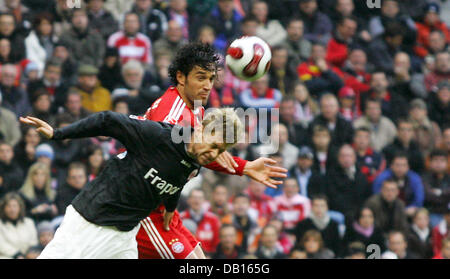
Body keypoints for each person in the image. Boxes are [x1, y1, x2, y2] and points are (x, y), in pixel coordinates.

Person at [20, 105, 245, 258]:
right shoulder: (157, 136)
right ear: (202, 129)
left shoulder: (195, 160)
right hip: (91, 220)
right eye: (214, 145)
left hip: (125, 234)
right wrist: (58, 133)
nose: (214, 154)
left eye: (220, 151)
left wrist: (170, 208)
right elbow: (107, 120)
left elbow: (176, 180)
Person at [136, 42, 287, 259]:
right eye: (200, 77)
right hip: (144, 208)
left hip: (163, 205)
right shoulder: (172, 113)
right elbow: (164, 156)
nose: (207, 85)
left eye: (210, 79)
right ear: (181, 77)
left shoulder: (195, 107)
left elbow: (196, 153)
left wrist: (244, 167)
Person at [325, 144, 371, 223]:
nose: (346, 159)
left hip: (358, 214)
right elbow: (333, 197)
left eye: (349, 156)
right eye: (343, 156)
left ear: (354, 158)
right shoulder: (331, 175)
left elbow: (365, 196)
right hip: (339, 213)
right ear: (338, 158)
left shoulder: (361, 175)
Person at [373, 152, 425, 217]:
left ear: (408, 167)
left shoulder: (414, 178)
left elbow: (419, 198)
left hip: (409, 211)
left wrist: (412, 208)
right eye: (397, 165)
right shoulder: (382, 178)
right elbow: (377, 197)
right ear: (391, 166)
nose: (400, 169)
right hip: (386, 211)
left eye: (403, 165)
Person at [179, 189, 221, 256]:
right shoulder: (180, 218)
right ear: (188, 200)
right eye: (194, 198)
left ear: (204, 201)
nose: (197, 201)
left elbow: (217, 243)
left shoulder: (213, 219)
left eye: (200, 198)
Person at [0, 192, 38, 258]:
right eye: (8, 206)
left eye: (14, 206)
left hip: (28, 256)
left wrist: (29, 253)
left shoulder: (29, 222)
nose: (12, 209)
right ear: (4, 208)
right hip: (7, 256)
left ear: (20, 207)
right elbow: (2, 245)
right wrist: (17, 255)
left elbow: (33, 241)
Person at [423, 149, 450, 227]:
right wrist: (446, 194)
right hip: (432, 212)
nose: (439, 163)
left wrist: (439, 192)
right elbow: (429, 196)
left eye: (442, 161)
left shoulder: (448, 178)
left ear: (447, 163)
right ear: (430, 162)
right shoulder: (424, 178)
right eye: (435, 160)